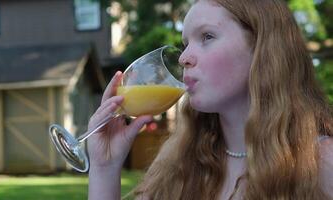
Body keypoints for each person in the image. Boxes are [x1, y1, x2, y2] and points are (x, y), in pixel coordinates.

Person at [87, 0, 333, 199]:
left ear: (263, 49)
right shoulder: (177, 163)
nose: (183, 57)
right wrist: (104, 168)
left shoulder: (321, 163)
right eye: (185, 44)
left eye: (207, 37)